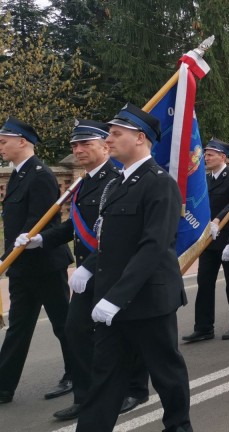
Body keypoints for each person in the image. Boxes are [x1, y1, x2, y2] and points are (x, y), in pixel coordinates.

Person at [16, 120, 149, 420]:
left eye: (85, 143)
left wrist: (88, 267)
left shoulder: (116, 180)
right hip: (88, 276)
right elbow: (73, 227)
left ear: (105, 146)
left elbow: (117, 234)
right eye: (75, 145)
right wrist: (40, 239)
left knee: (125, 331)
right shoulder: (84, 182)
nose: (78, 150)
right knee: (75, 331)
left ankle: (135, 390)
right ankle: (86, 396)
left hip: (115, 271)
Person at [73, 103, 191, 431]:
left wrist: (115, 297)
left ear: (140, 138)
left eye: (115, 133)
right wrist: (91, 268)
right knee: (105, 380)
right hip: (114, 302)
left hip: (149, 302)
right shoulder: (118, 184)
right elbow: (114, 242)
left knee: (167, 376)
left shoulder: (159, 183)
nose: (107, 140)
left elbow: (153, 247)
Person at [0, 117, 74, 405]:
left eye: (4, 141)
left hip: (45, 266)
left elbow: (36, 225)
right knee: (19, 327)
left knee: (63, 324)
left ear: (22, 141)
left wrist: (9, 259)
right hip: (22, 269)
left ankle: (75, 373)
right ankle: (4, 386)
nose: (1, 146)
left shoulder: (40, 174)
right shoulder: (19, 174)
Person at [182, 138, 229, 343]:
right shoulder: (205, 180)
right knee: (205, 283)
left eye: (210, 154)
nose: (206, 158)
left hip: (228, 239)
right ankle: (203, 327)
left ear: (223, 157)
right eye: (205, 154)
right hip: (209, 242)